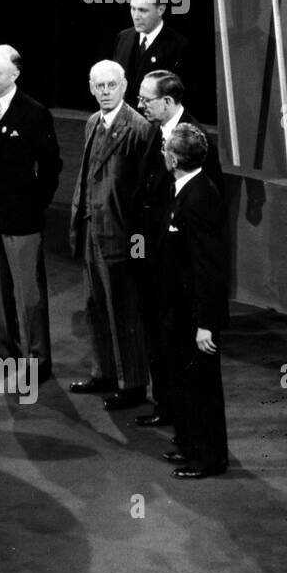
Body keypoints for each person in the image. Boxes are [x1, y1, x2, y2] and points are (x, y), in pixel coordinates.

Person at [134, 68, 223, 429]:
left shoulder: (195, 141)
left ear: (168, 102)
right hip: (156, 260)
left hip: (180, 271)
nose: (139, 104)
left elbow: (205, 215)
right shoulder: (154, 131)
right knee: (159, 339)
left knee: (181, 351)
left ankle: (184, 421)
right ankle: (167, 408)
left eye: (146, 99)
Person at [68, 60, 159, 409]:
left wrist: (137, 245)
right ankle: (104, 372)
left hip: (120, 235)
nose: (105, 92)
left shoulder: (138, 128)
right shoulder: (92, 122)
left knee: (124, 310)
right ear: (91, 87)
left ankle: (132, 383)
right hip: (92, 229)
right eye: (99, 86)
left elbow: (144, 193)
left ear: (123, 86)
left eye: (112, 86)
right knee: (95, 307)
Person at [0, 45, 61, 381]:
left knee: (29, 295)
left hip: (22, 219)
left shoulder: (35, 113)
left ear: (15, 74)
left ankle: (38, 361)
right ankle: (5, 353)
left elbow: (52, 165)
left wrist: (35, 203)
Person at [157, 124, 230, 479]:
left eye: (165, 151)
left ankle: (210, 458)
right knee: (185, 383)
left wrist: (206, 323)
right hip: (181, 311)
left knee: (203, 389)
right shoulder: (185, 189)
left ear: (173, 158)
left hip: (196, 316)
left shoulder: (199, 197)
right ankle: (191, 446)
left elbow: (209, 267)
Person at [111, 0, 187, 108]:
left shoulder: (179, 47)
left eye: (142, 10)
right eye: (132, 8)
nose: (136, 16)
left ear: (160, 10)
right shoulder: (123, 38)